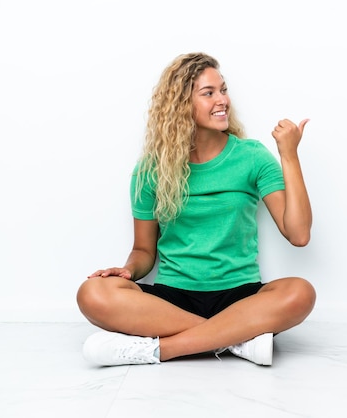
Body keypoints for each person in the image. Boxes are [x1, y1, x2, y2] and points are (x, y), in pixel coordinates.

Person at [76, 52, 316, 367]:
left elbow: (298, 234)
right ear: (180, 105)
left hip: (240, 298)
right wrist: (128, 271)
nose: (223, 100)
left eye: (224, 90)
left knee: (300, 292)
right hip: (172, 299)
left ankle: (160, 350)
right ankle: (237, 341)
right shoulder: (150, 170)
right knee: (92, 293)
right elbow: (143, 250)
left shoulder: (252, 157)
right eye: (209, 93)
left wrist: (289, 156)